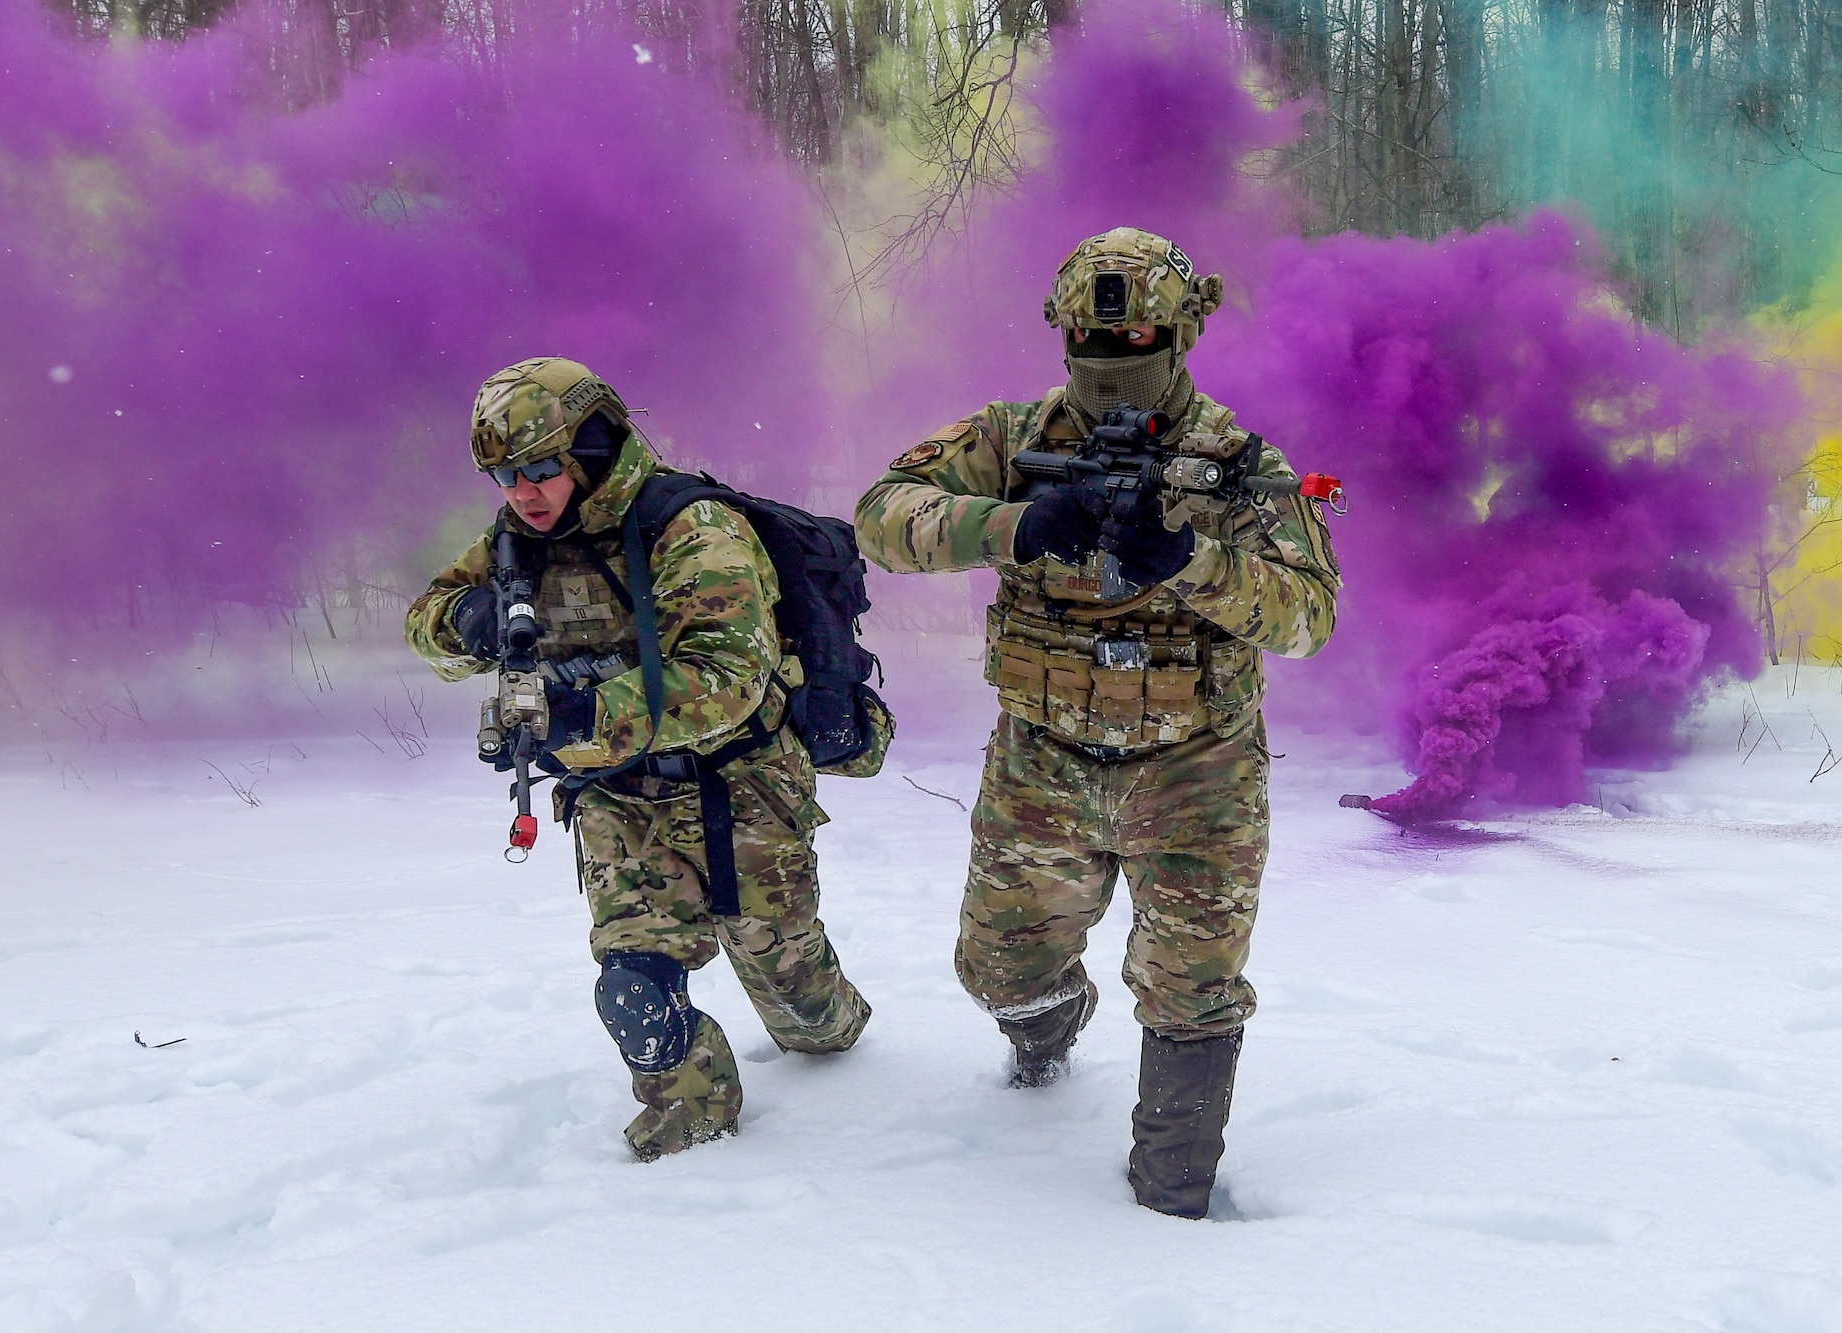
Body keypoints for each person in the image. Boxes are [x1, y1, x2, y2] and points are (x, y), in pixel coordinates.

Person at [853, 229, 1341, 1217]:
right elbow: (878, 514)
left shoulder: (1237, 462)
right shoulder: (1007, 437)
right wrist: (1017, 524)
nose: (1110, 368)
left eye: (1137, 343)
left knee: (1191, 991)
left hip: (1195, 769)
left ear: (1182, 337)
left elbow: (1309, 616)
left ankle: (1171, 1204)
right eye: (1090, 343)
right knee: (996, 969)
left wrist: (1187, 559)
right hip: (1043, 763)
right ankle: (1047, 1026)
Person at [407, 356, 871, 1161]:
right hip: (616, 798)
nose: (523, 491)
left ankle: (834, 1026)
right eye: (505, 474)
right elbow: (425, 620)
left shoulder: (690, 529)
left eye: (541, 468)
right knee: (634, 989)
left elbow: (727, 680)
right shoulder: (518, 539)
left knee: (802, 1005)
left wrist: (584, 712)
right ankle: (691, 1138)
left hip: (739, 788)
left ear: (589, 448)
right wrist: (469, 620)